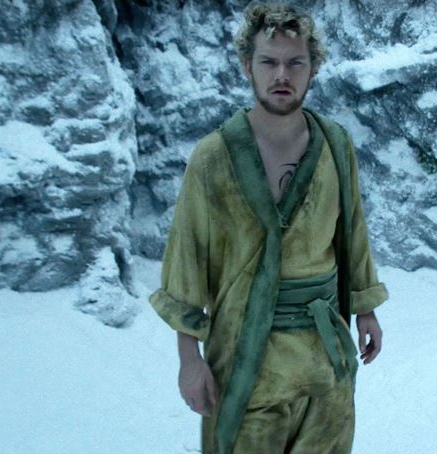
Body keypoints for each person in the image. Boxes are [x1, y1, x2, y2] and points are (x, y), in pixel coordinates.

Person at [149, 3, 388, 453]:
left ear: (312, 68)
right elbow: (188, 258)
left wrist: (366, 311)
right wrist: (188, 359)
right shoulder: (213, 157)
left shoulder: (335, 145)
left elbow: (352, 231)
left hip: (325, 361)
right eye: (269, 62)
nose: (282, 74)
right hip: (247, 360)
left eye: (295, 62)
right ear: (248, 66)